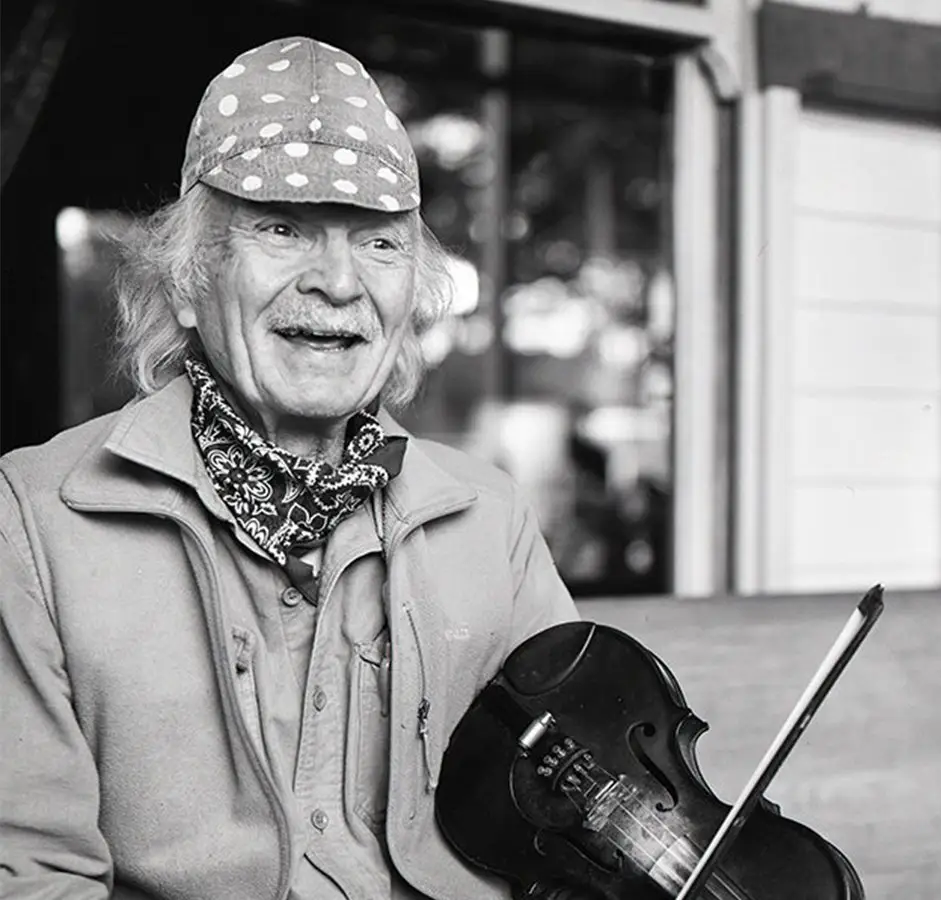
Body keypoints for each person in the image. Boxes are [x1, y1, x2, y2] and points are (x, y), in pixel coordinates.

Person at [0, 36, 579, 900]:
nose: (338, 283)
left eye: (380, 245)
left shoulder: (488, 518)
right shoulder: (36, 517)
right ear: (190, 281)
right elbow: (32, 874)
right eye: (282, 229)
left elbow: (568, 824)